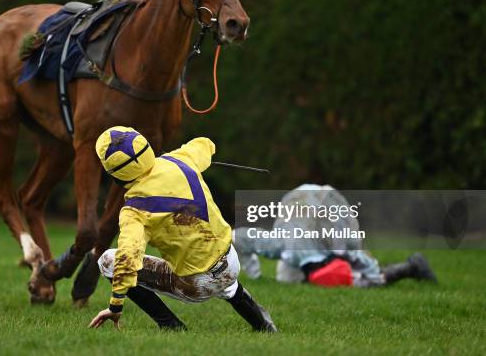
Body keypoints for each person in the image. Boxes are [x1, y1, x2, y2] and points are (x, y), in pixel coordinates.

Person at [88, 126, 277, 332]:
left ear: (114, 174)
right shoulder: (180, 158)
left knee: (108, 260)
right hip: (231, 260)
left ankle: (171, 326)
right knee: (224, 278)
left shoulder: (133, 211)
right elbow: (204, 143)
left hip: (195, 283)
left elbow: (127, 259)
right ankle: (264, 327)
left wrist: (115, 306)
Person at [234, 185, 437, 287]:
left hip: (327, 202)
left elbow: (360, 256)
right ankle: (409, 268)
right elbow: (240, 237)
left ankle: (412, 267)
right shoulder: (283, 245)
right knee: (287, 280)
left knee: (361, 276)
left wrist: (378, 276)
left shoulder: (340, 240)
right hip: (300, 201)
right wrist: (256, 276)